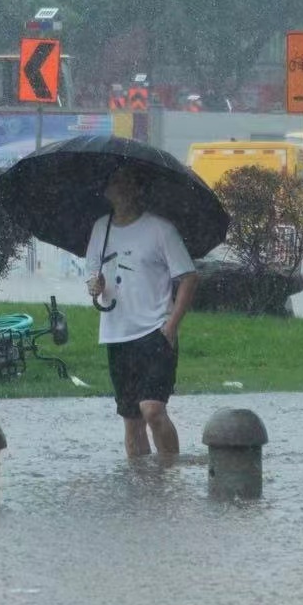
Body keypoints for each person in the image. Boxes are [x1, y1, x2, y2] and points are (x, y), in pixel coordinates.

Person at [85, 163, 198, 459]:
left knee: (153, 410)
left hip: (154, 331)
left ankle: (170, 474)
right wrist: (94, 286)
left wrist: (172, 325)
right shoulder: (101, 228)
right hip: (117, 333)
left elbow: (188, 277)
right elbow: (92, 278)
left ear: (138, 189)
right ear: (107, 191)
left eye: (127, 183)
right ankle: (141, 487)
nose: (120, 189)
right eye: (114, 183)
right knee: (131, 419)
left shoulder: (161, 230)